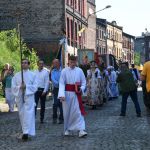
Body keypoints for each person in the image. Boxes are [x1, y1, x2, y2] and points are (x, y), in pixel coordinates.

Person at [58, 55, 87, 138]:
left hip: (76, 94)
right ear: (68, 62)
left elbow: (84, 82)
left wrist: (81, 88)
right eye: (71, 62)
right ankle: (67, 129)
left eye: (74, 62)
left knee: (78, 112)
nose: (73, 64)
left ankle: (81, 130)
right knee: (67, 113)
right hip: (66, 94)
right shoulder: (64, 71)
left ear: (76, 62)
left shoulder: (79, 71)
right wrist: (61, 94)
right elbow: (61, 83)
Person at [12, 59, 38, 141]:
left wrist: (26, 86)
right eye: (22, 63)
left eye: (25, 63)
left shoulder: (33, 75)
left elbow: (35, 86)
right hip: (20, 97)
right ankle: (25, 131)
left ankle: (26, 132)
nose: (24, 64)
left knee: (28, 114)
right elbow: (13, 87)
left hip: (29, 97)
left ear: (29, 64)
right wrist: (19, 87)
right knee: (22, 114)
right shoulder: (17, 75)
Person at [51, 59, 63, 124]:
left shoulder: (63, 71)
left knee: (61, 104)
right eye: (53, 63)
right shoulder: (53, 71)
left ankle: (61, 118)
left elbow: (64, 79)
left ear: (58, 63)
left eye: (55, 63)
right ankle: (54, 118)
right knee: (55, 103)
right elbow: (53, 79)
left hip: (62, 89)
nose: (54, 64)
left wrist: (61, 84)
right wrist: (58, 83)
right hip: (56, 89)